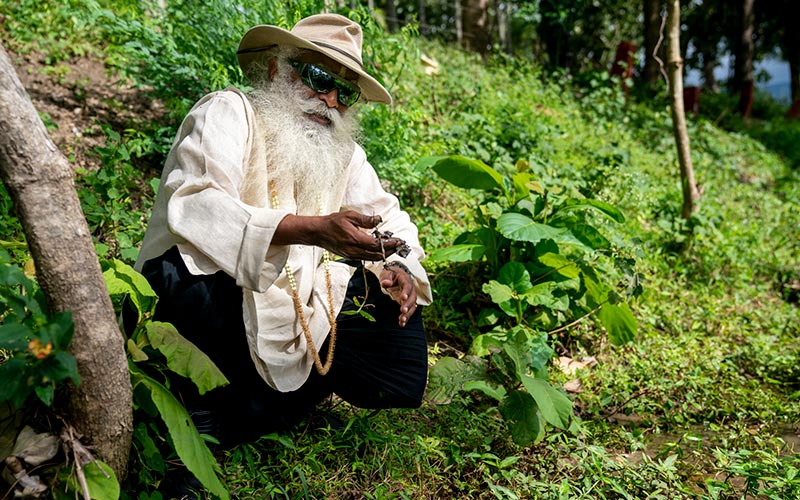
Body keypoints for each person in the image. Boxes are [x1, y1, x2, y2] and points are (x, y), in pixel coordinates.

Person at [133, 13, 432, 447]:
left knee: (398, 364)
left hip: (292, 307)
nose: (329, 100)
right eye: (317, 77)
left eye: (344, 92)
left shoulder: (343, 154)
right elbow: (197, 206)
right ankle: (196, 416)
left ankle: (263, 408)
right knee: (188, 272)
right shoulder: (229, 112)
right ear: (277, 69)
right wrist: (310, 230)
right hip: (212, 300)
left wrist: (399, 264)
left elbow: (393, 222)